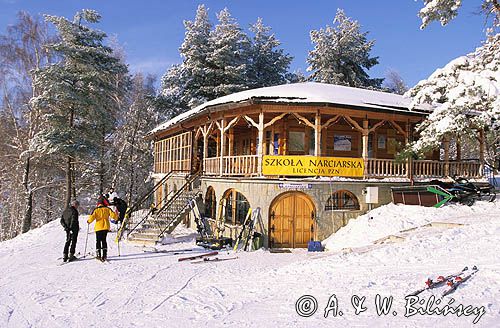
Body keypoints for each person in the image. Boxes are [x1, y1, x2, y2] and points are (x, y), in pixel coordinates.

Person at [87, 195, 118, 261]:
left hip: (98, 228)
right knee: (104, 240)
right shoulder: (107, 209)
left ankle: (98, 255)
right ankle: (104, 255)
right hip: (106, 227)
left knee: (98, 241)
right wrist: (117, 216)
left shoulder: (96, 210)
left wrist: (88, 221)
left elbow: (91, 218)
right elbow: (114, 216)